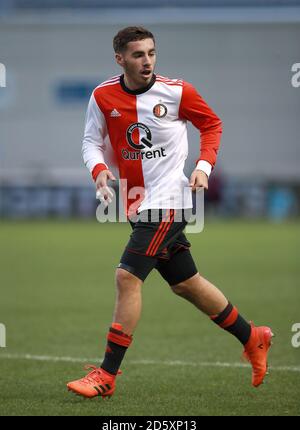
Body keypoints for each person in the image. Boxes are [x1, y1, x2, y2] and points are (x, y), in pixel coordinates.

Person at [67, 26, 273, 399]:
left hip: (169, 202)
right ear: (120, 59)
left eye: (151, 53)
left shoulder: (178, 92)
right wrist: (99, 172)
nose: (146, 61)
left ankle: (106, 375)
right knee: (186, 284)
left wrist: (204, 166)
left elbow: (211, 124)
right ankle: (252, 337)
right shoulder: (102, 96)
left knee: (126, 278)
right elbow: (90, 141)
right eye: (137, 55)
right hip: (135, 202)